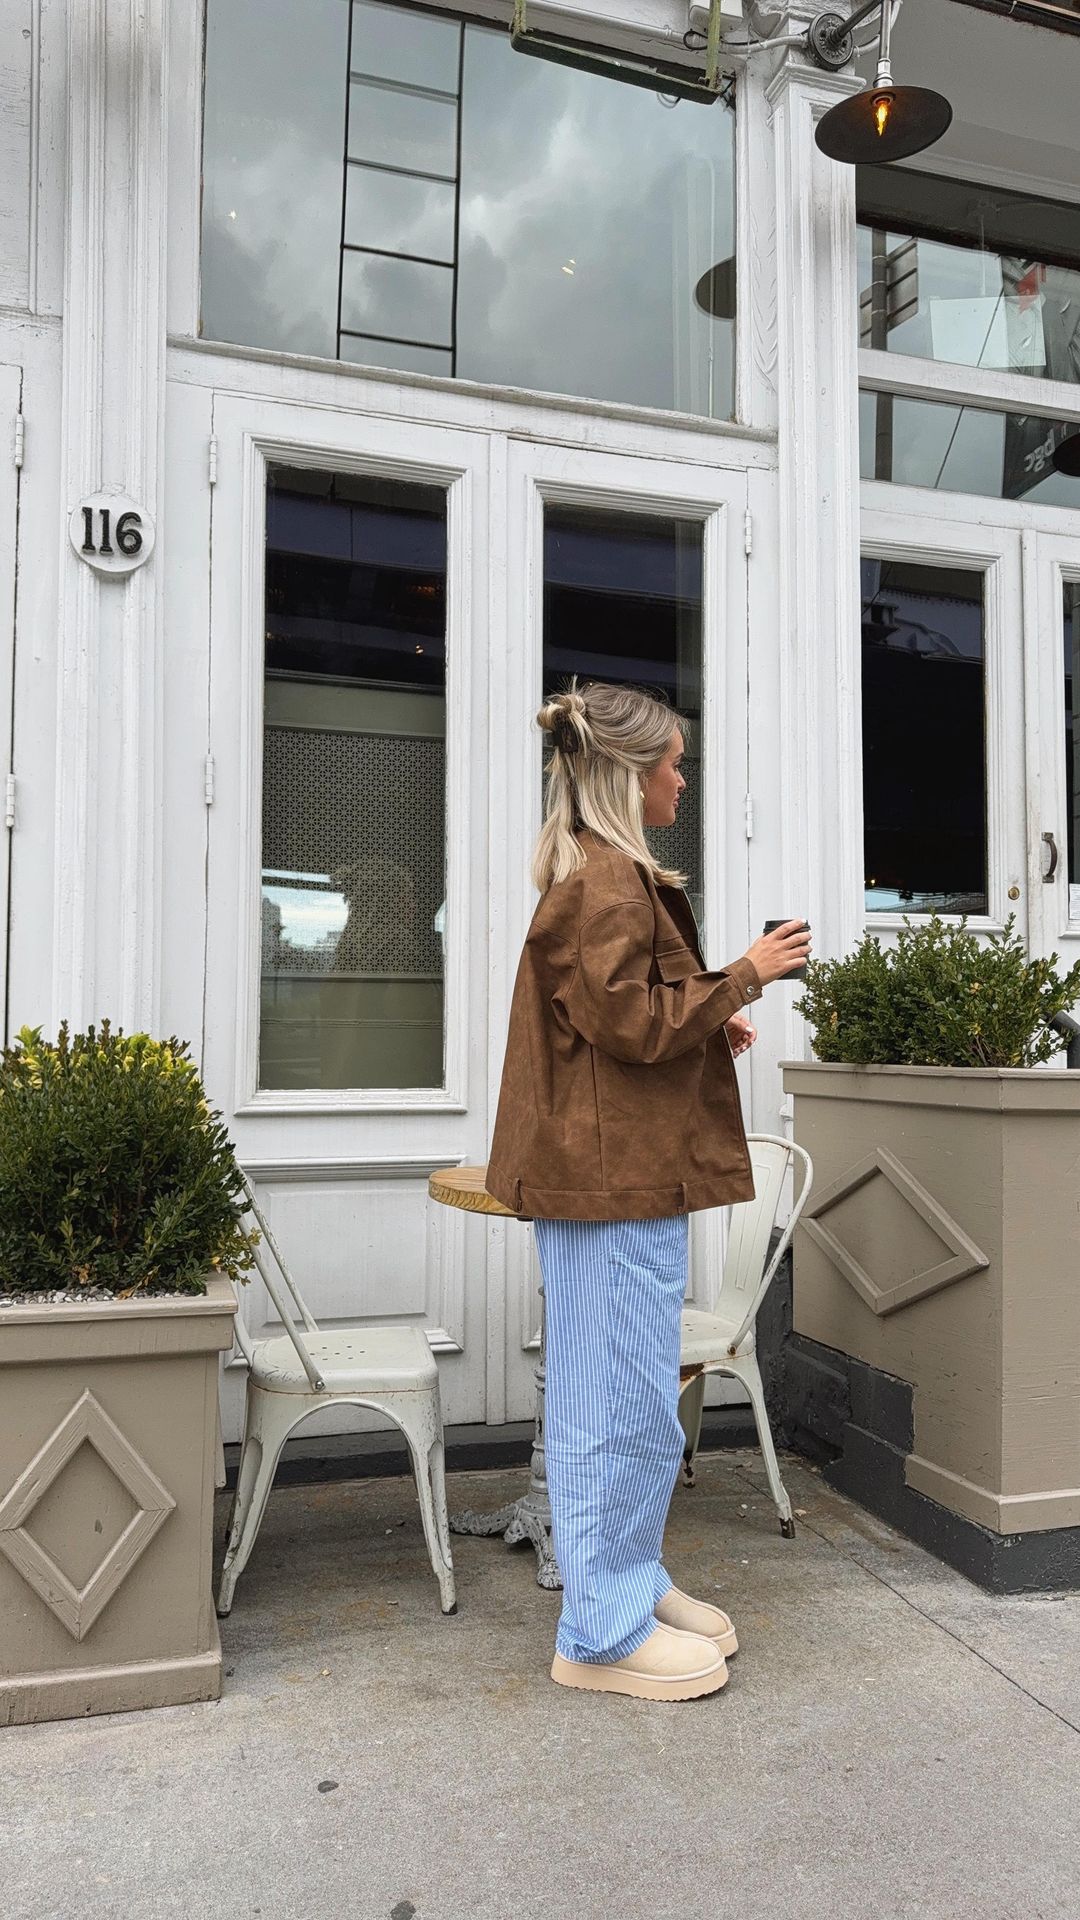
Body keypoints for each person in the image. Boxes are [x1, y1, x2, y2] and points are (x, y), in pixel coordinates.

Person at [486, 680, 811, 1703]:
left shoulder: (607, 876)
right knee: (614, 1405)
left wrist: (711, 1015)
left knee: (629, 1398)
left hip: (621, 1176)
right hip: (611, 1184)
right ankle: (600, 1631)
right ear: (631, 774)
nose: (682, 778)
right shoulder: (610, 886)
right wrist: (745, 975)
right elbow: (631, 1026)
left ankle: (629, 1578)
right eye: (672, 762)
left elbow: (624, 1021)